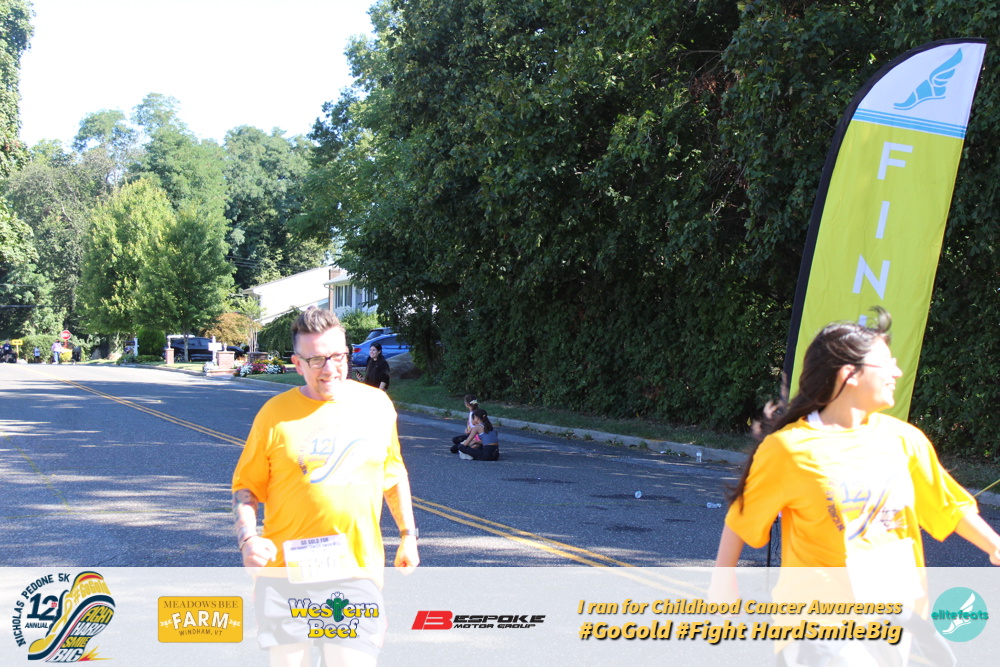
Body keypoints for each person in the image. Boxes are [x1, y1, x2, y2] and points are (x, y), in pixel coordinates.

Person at [712, 308, 1000, 664]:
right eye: (886, 363)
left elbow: (947, 506)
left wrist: (994, 546)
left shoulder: (904, 439)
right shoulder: (789, 449)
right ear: (848, 374)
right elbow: (742, 517)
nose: (897, 372)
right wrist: (723, 582)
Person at [231, 307, 419, 667]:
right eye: (316, 359)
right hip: (284, 576)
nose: (330, 368)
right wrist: (248, 539)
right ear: (297, 364)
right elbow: (246, 488)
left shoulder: (376, 405)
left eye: (337, 356)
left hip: (355, 573)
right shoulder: (274, 415)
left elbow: (394, 474)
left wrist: (408, 535)